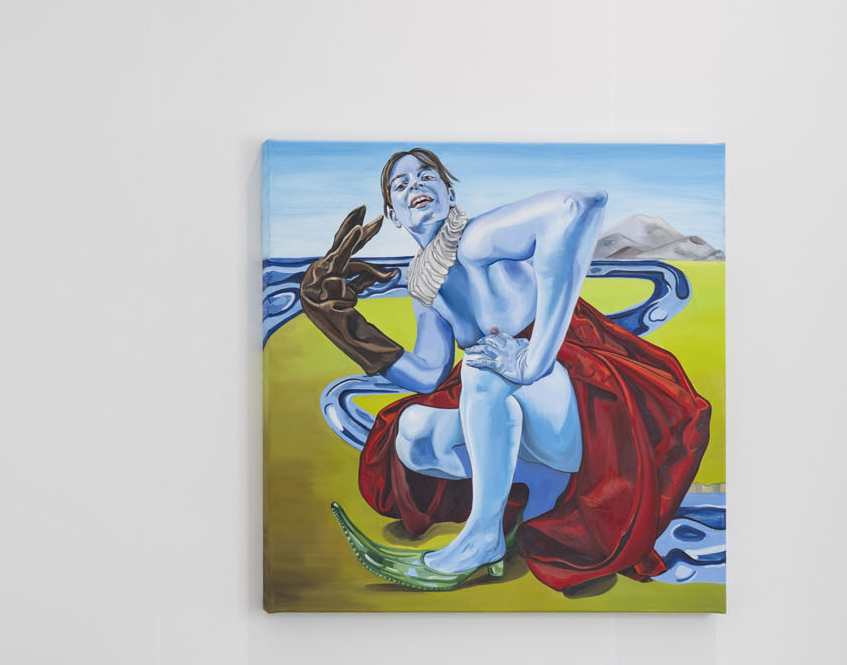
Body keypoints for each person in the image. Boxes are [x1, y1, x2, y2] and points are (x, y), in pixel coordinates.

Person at [298, 148, 710, 591]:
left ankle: (483, 537)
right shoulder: (425, 285)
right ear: (394, 215)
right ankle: (532, 493)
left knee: (480, 369)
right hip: (525, 418)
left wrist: (535, 360)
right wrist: (344, 325)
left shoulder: (477, 239)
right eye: (401, 185)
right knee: (414, 432)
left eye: (426, 176)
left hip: (592, 409)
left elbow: (580, 204)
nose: (414, 185)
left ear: (449, 192)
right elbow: (428, 375)